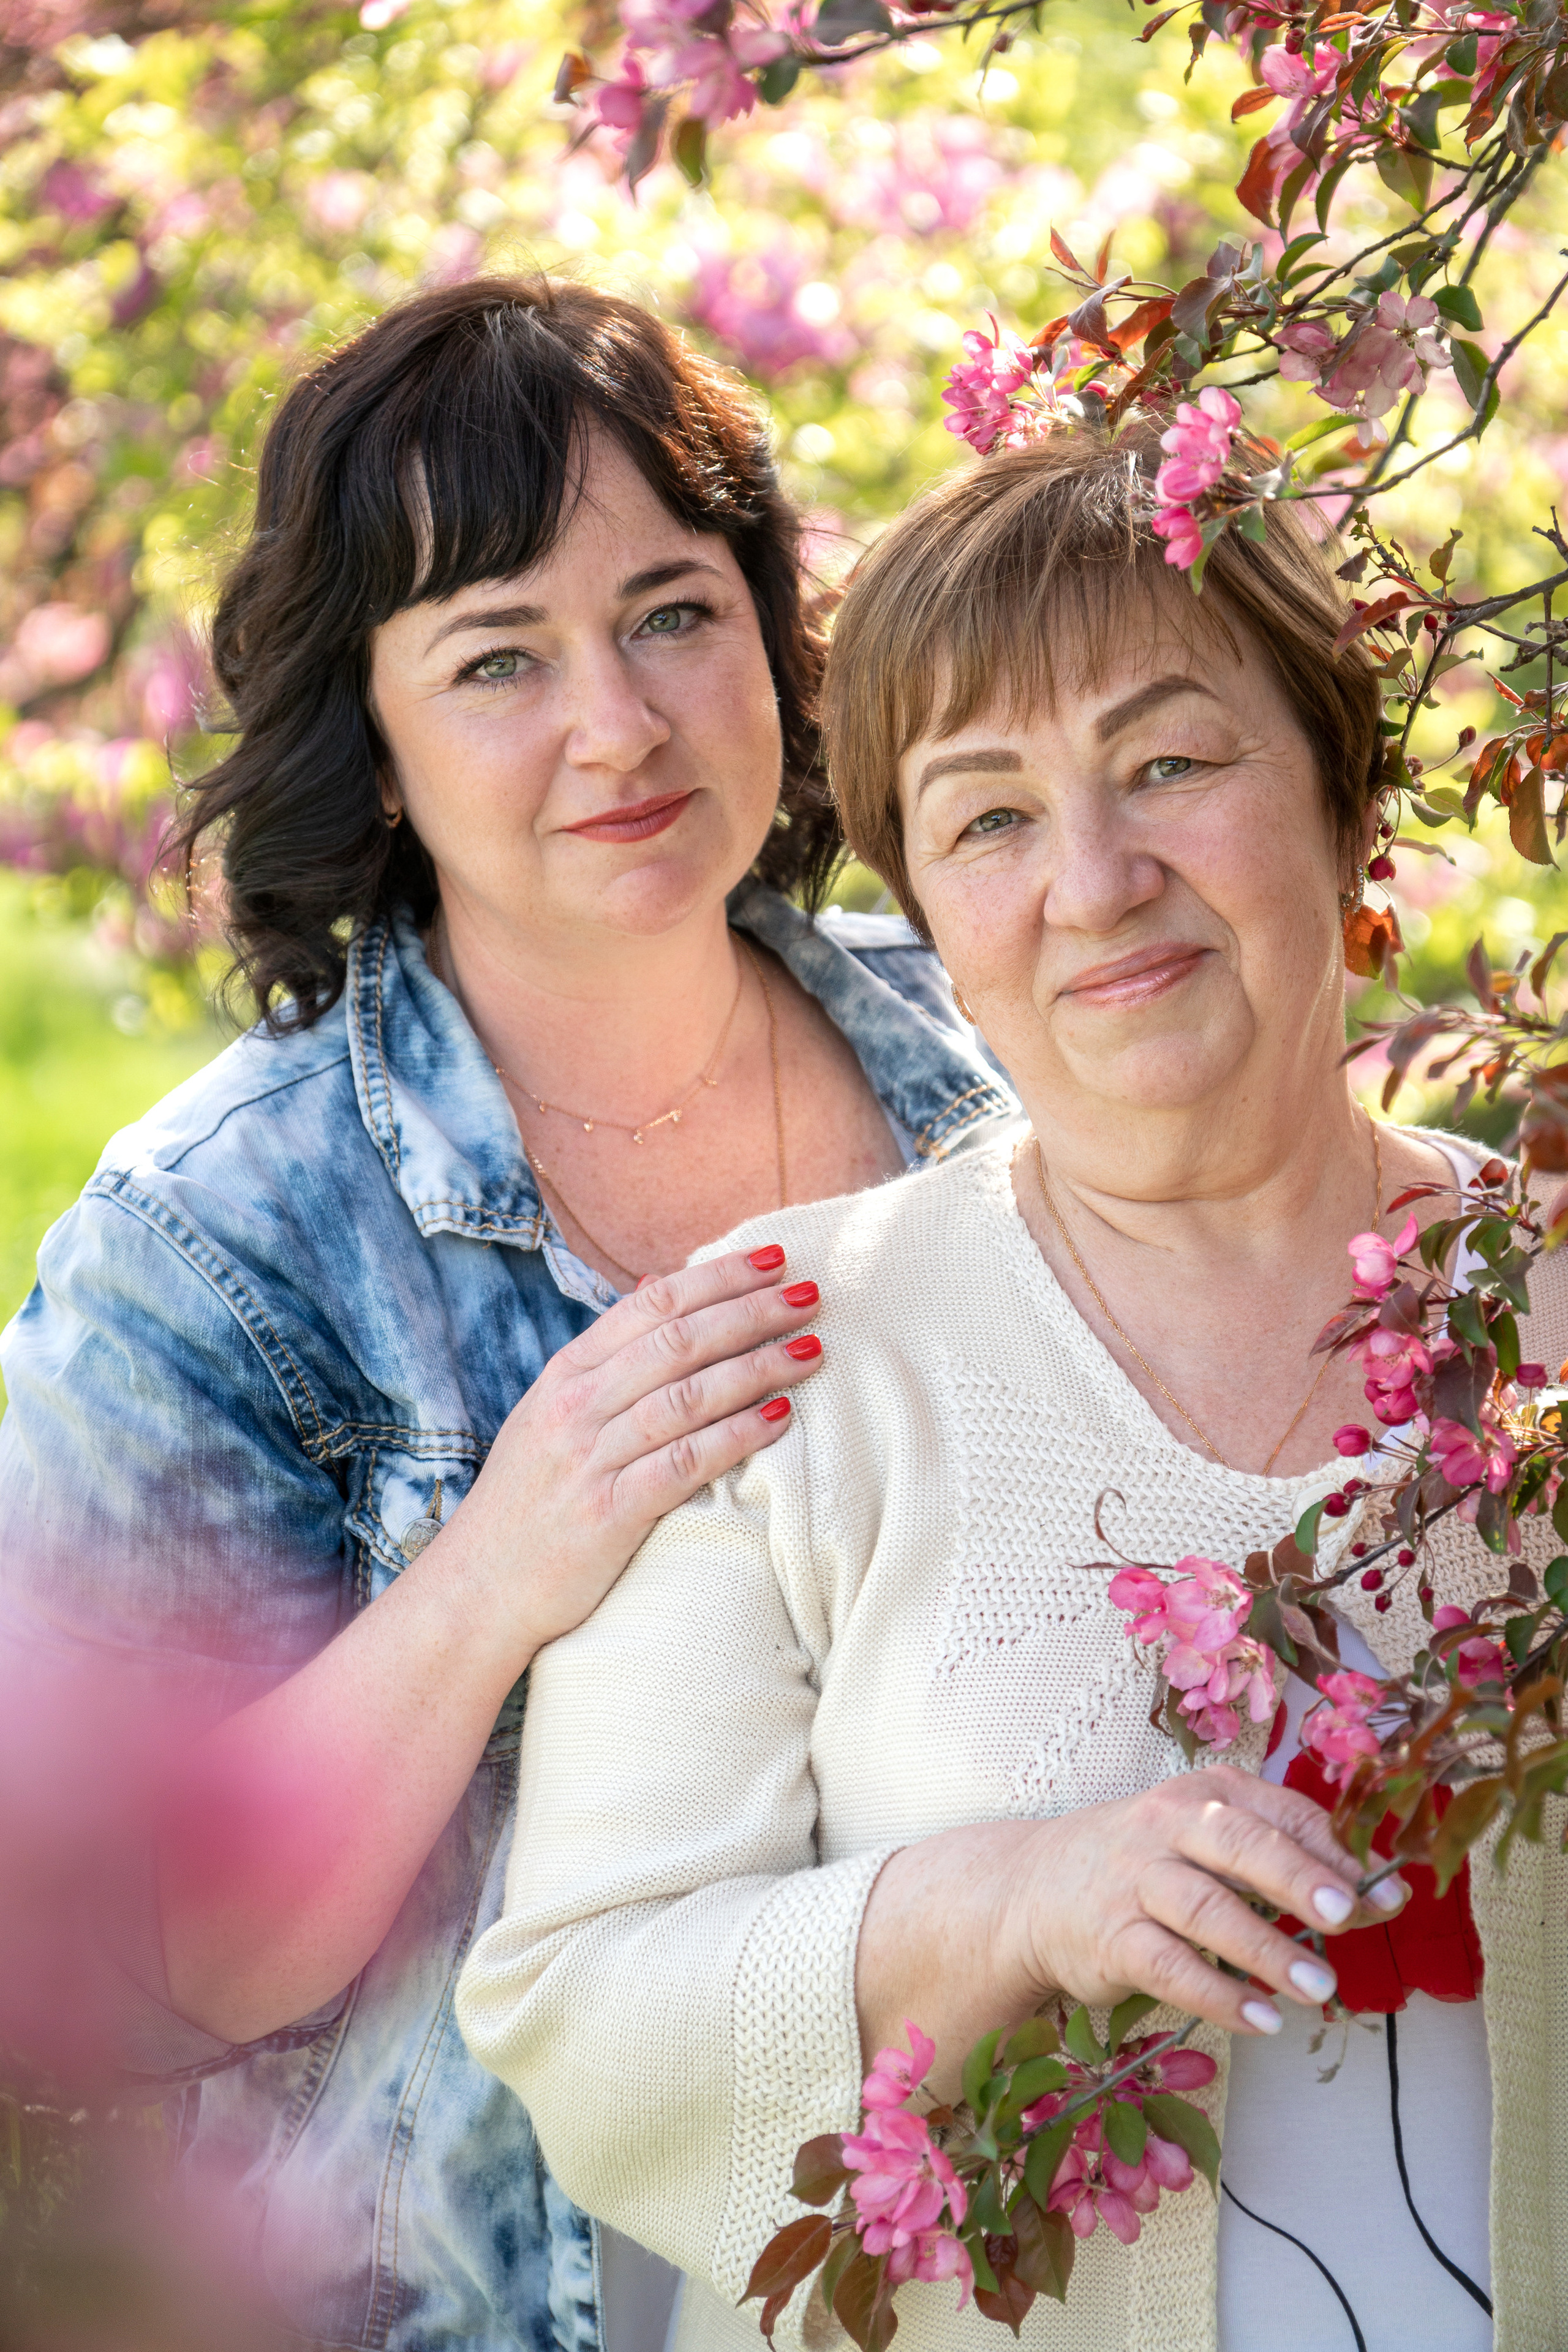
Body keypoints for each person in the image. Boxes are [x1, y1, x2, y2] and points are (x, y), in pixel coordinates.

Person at [456, 428, 1568, 2352]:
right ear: (925, 907)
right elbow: (583, 2015)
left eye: (1174, 764)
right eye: (988, 819)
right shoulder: (788, 1364)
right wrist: (1008, 1905)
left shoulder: (1538, 1312)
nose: (1096, 880)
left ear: (1342, 794)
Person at [0, 278, 1016, 2352]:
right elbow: (139, 1967)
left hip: (992, 2270)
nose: (619, 727)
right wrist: (505, 1561)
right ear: (366, 745)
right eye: (497, 658)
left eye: (671, 613)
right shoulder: (215, 1242)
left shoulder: (987, 1066)